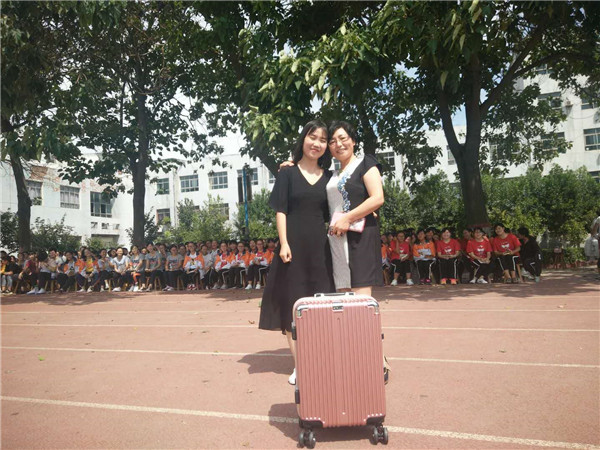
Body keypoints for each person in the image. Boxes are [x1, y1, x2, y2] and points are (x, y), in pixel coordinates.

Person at [259, 119, 335, 386]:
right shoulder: (287, 174)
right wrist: (284, 243)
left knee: (322, 308)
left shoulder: (330, 178)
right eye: (312, 137)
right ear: (303, 139)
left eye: (323, 140)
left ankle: (320, 361)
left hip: (321, 251)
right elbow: (281, 210)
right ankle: (300, 366)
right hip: (292, 249)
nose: (317, 143)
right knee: (293, 307)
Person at [326, 121, 384, 295]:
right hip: (336, 239)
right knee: (342, 294)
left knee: (360, 299)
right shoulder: (331, 175)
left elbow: (377, 198)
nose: (338, 144)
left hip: (361, 236)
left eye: (343, 138)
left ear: (353, 141)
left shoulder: (366, 163)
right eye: (332, 141)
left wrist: (347, 218)